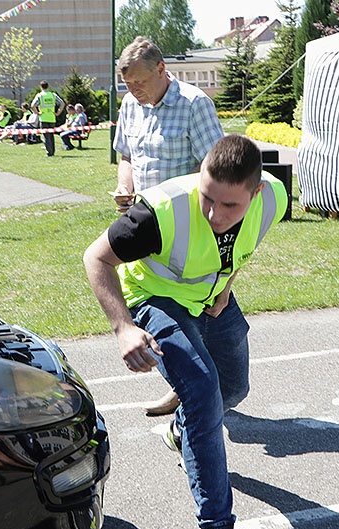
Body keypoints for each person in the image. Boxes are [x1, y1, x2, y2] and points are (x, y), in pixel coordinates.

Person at [83, 135, 288, 529]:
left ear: (254, 194)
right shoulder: (160, 212)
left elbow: (245, 245)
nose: (215, 215)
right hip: (155, 299)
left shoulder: (273, 196)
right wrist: (123, 329)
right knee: (201, 390)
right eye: (207, 197)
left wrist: (228, 283)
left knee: (232, 389)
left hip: (210, 298)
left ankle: (183, 429)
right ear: (200, 178)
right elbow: (95, 257)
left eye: (229, 206)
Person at [114, 36, 225, 416]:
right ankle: (186, 386)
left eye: (140, 84)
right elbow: (126, 154)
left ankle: (195, 387)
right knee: (159, 309)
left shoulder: (195, 104)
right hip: (145, 224)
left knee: (200, 310)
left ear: (162, 70)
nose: (134, 92)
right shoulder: (130, 104)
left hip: (188, 227)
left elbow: (217, 170)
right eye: (128, 86)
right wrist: (124, 185)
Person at [31, 80, 65, 157]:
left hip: (43, 118)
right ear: (48, 87)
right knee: (51, 135)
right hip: (52, 117)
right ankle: (52, 151)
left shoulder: (40, 96)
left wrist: (37, 113)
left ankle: (49, 152)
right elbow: (62, 103)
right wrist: (58, 112)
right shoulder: (53, 95)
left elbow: (32, 106)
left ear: (41, 87)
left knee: (46, 136)